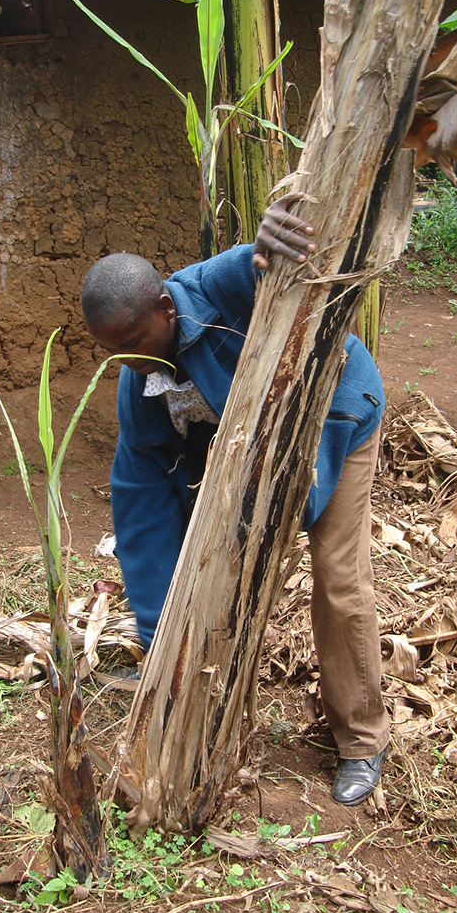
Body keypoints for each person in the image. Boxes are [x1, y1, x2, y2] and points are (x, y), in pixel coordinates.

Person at [80, 201, 389, 806]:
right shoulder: (136, 384)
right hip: (238, 454)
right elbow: (142, 508)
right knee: (206, 559)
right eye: (112, 351)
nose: (127, 361)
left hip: (337, 420)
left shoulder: (217, 288)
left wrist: (275, 227)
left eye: (135, 341)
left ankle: (362, 738)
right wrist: (155, 638)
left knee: (338, 577)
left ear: (166, 307)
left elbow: (278, 257)